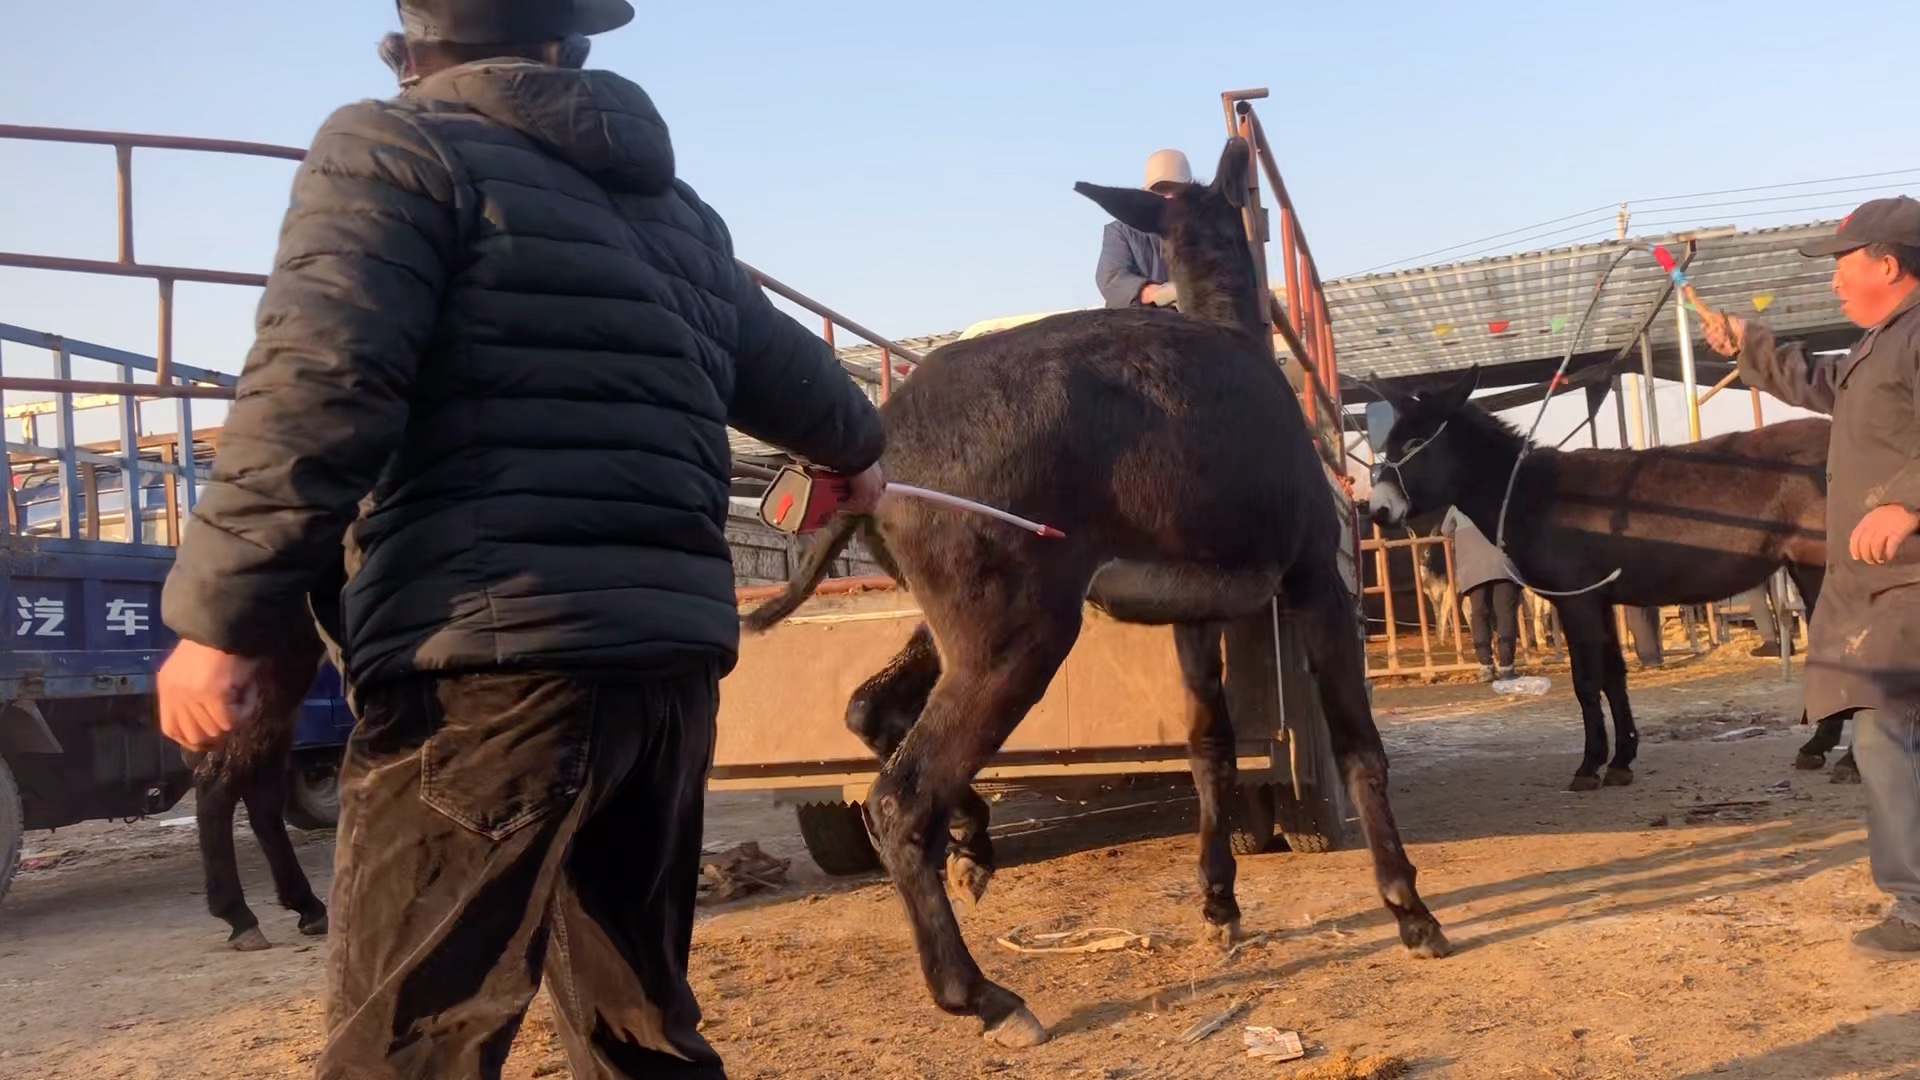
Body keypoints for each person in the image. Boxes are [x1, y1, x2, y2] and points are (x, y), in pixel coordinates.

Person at [154, 1, 888, 1075]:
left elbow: (322, 387)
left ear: (407, 53)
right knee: (642, 1031)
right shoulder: (676, 213)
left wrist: (221, 620)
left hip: (489, 670)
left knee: (410, 1047)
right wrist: (860, 456)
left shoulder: (391, 147)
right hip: (664, 677)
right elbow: (821, 400)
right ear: (570, 49)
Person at [1702, 195, 1920, 960]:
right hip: (1888, 581)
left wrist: (1908, 503)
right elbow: (1823, 386)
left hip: (1911, 577)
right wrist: (1748, 343)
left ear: (1886, 264)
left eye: (1841, 264)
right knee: (1892, 727)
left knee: (1884, 727)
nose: (1833, 282)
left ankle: (1917, 907)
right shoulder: (1881, 347)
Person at [1095, 148, 1190, 309]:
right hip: (1139, 325)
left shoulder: (1208, 235)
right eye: (1160, 190)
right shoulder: (1121, 232)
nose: (1167, 196)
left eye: (1175, 189)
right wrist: (1158, 293)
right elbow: (1112, 279)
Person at [1441, 506, 1520, 681]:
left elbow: (1446, 530)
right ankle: (1506, 667)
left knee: (1479, 613)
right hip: (1503, 564)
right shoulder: (1502, 496)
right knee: (1505, 613)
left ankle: (1486, 666)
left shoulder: (1458, 504)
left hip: (1472, 566)